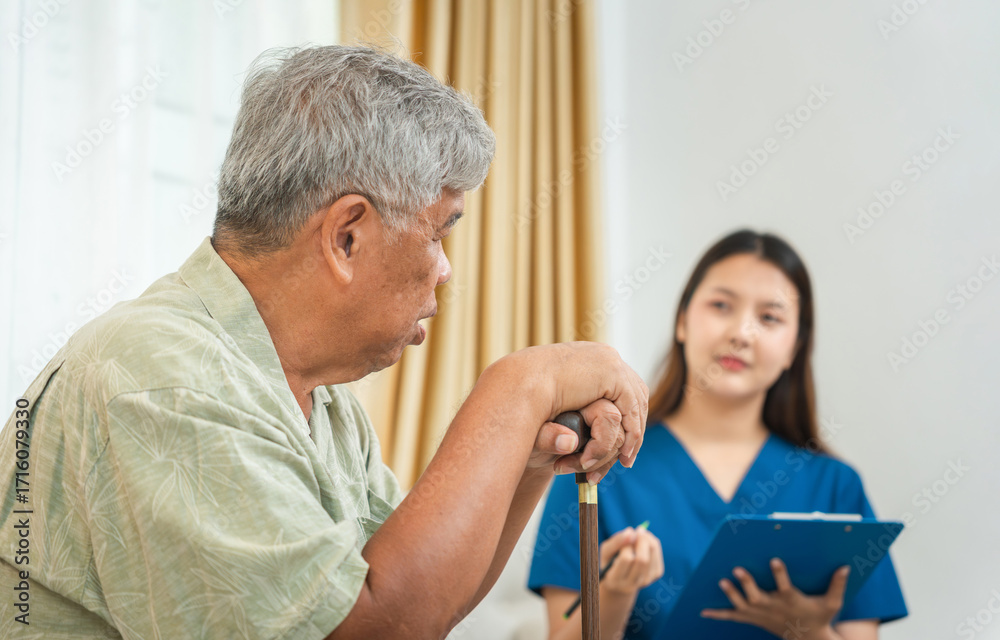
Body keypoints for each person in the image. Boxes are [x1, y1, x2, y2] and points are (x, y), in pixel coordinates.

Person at [0, 45, 650, 639]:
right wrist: (521, 386)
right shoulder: (163, 381)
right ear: (346, 237)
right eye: (437, 233)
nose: (445, 269)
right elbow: (377, 627)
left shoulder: (320, 403)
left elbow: (428, 600)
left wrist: (527, 458)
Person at [528, 230, 907, 640]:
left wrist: (809, 631)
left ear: (794, 348)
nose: (741, 333)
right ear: (682, 321)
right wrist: (615, 592)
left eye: (769, 317)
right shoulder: (594, 465)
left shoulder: (836, 488)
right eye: (721, 305)